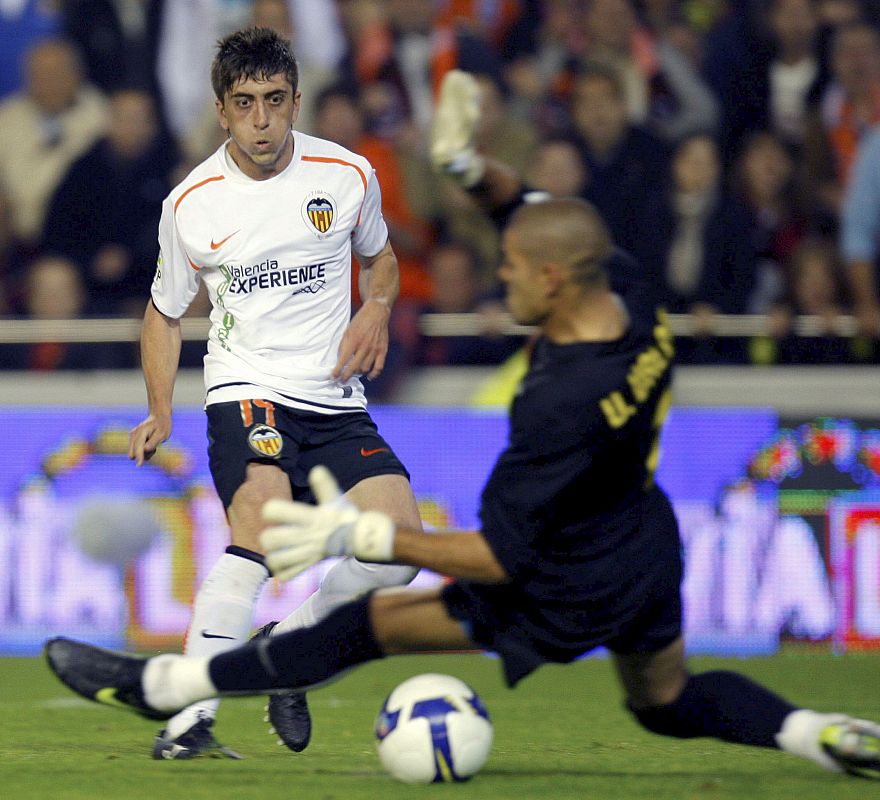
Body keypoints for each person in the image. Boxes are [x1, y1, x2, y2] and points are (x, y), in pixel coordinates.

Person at [45, 69, 880, 781]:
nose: (498, 277)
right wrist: (465, 164)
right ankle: (816, 733)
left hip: (559, 578)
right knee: (666, 700)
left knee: (373, 617)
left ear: (553, 279)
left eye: (512, 270)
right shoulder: (630, 299)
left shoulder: (553, 405)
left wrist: (360, 537)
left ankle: (172, 685)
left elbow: (492, 556)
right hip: (646, 545)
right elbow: (533, 206)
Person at [120, 27, 422, 760]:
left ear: (295, 100)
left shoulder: (345, 173)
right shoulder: (192, 203)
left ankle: (286, 650)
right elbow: (164, 313)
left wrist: (376, 306)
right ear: (222, 111)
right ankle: (187, 725)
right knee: (256, 526)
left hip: (334, 396)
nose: (262, 120)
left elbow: (382, 262)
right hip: (245, 387)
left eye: (276, 101)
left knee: (399, 550)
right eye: (245, 103)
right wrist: (161, 408)